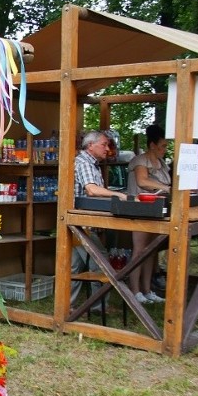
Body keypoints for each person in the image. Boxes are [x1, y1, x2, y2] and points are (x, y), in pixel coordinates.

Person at [71, 131, 128, 310]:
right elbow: (92, 190)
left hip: (79, 223)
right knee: (101, 261)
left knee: (74, 266)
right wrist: (120, 195)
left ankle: (68, 305)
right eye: (103, 144)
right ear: (90, 145)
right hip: (80, 223)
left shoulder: (91, 164)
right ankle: (98, 306)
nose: (107, 148)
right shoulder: (84, 163)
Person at [127, 124, 171, 305]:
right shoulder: (140, 161)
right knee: (139, 250)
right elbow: (142, 181)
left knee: (151, 251)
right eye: (162, 145)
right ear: (152, 145)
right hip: (140, 210)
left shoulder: (162, 164)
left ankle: (147, 290)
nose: (164, 149)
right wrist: (167, 188)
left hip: (156, 210)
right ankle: (134, 291)